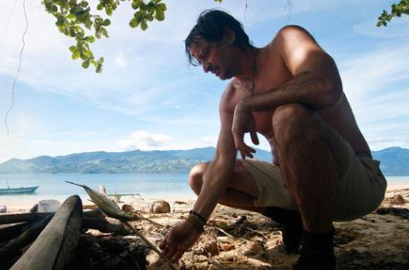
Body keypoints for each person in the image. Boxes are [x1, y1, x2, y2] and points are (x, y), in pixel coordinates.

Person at [160, 9, 386, 270]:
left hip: (355, 183)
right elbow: (223, 161)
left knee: (288, 115)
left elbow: (326, 85)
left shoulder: (285, 42)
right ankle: (294, 220)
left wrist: (249, 105)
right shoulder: (230, 98)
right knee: (200, 175)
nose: (205, 67)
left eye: (206, 54)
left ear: (229, 36)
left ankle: (318, 250)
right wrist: (194, 223)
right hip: (297, 188)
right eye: (199, 61)